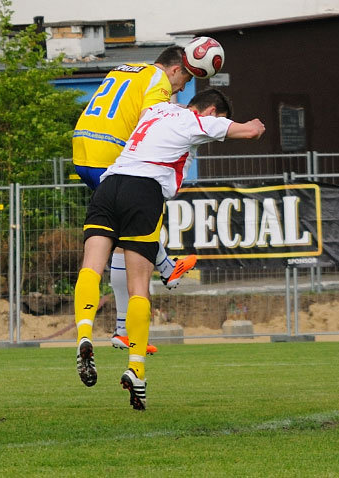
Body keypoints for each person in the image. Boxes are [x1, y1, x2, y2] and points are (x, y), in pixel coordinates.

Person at [74, 89, 265, 409]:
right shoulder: (198, 121)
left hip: (109, 184)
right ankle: (135, 369)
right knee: (139, 288)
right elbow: (247, 130)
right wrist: (255, 125)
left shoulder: (157, 110)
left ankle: (83, 334)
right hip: (142, 190)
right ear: (213, 110)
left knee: (90, 267)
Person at [72, 45, 198, 350]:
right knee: (136, 222)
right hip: (112, 153)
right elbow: (153, 120)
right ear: (175, 69)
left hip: (83, 148)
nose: (178, 90)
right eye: (182, 83)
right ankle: (167, 267)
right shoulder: (159, 80)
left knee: (120, 239)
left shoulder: (127, 68)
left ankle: (121, 331)